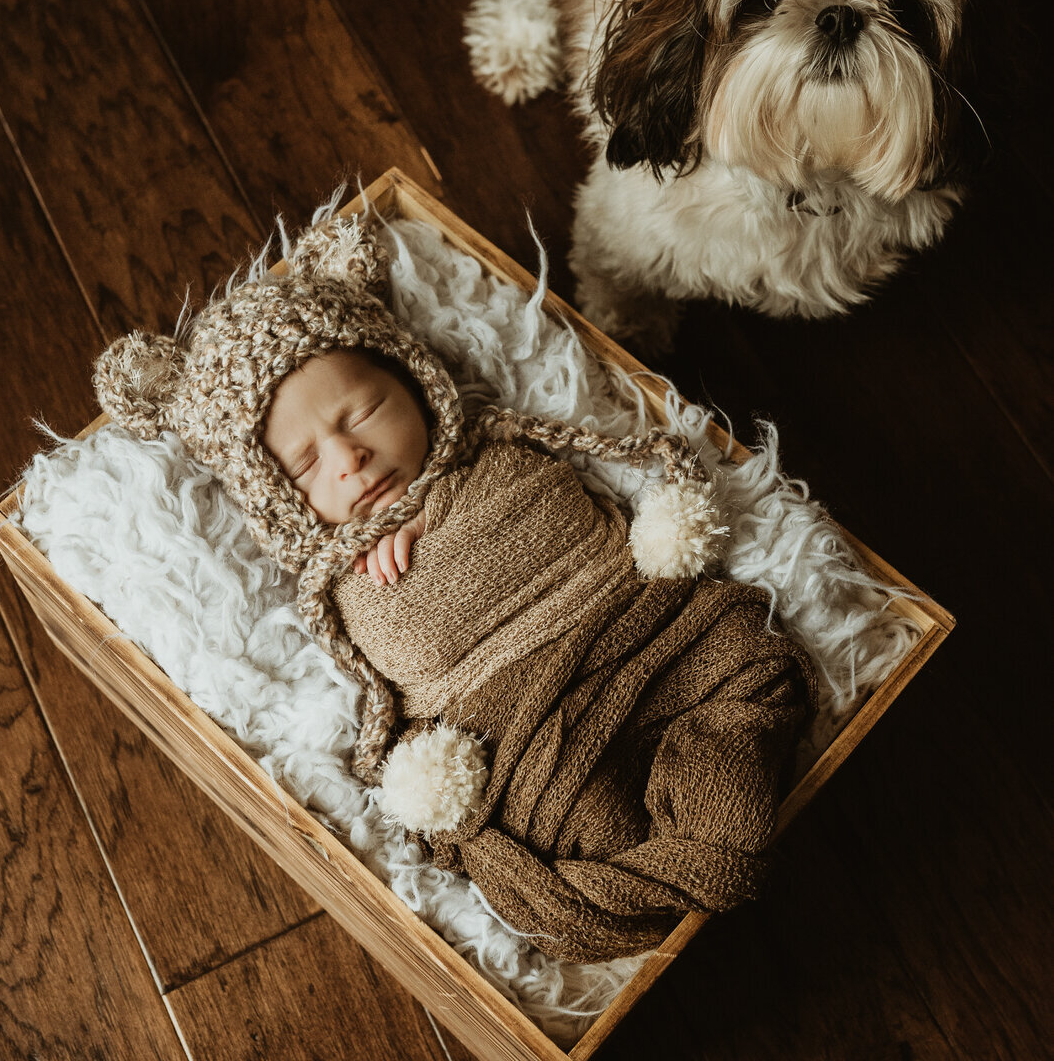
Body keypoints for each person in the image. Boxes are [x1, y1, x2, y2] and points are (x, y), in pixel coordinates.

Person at [94, 208, 816, 961]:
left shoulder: (498, 450)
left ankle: (712, 819)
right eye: (305, 466)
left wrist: (440, 511)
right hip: (525, 728)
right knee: (575, 820)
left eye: (364, 412)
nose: (349, 458)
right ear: (274, 498)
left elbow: (600, 496)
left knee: (745, 660)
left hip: (648, 626)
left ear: (414, 382)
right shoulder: (341, 590)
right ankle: (680, 863)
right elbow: (388, 697)